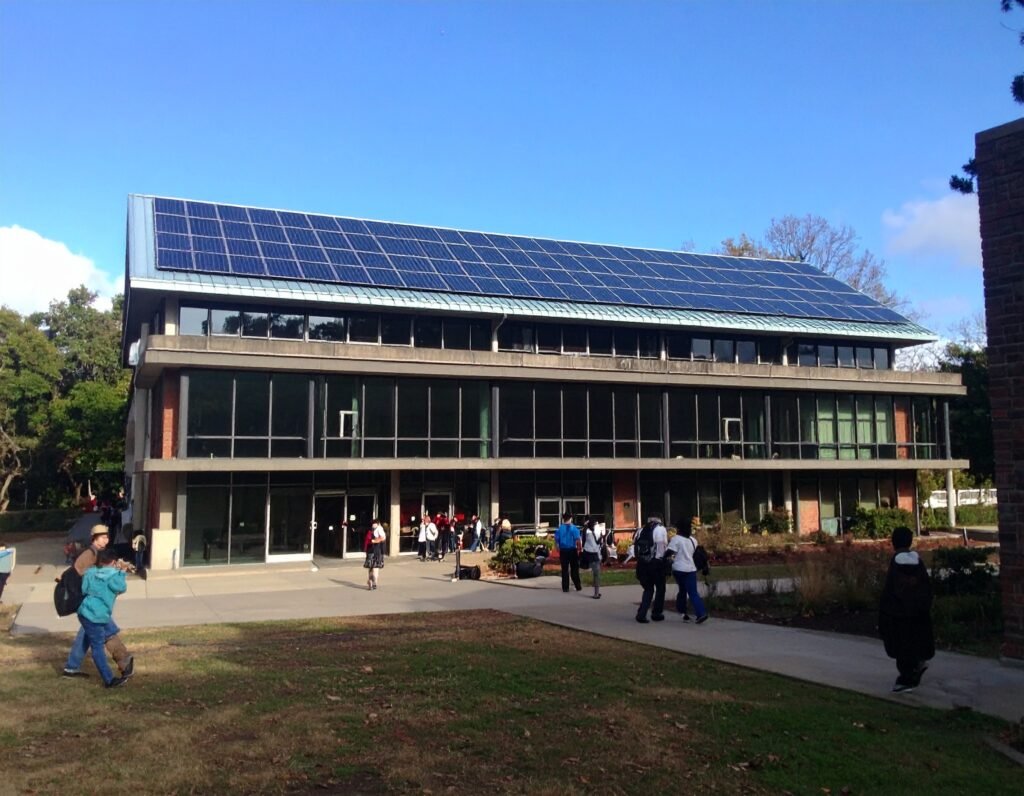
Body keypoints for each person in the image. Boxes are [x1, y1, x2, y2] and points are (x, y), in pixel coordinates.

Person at [62, 524, 134, 682]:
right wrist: (116, 572)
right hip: (90, 603)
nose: (106, 540)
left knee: (88, 633)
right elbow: (82, 577)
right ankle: (123, 661)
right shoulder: (89, 554)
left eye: (107, 537)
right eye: (102, 537)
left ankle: (71, 666)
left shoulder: (98, 553)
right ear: (94, 539)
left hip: (91, 605)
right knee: (106, 631)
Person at [879, 526, 934, 693]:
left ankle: (907, 679)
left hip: (899, 615)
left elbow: (890, 591)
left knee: (902, 647)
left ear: (894, 542)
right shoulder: (918, 563)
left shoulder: (896, 564)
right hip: (918, 613)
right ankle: (917, 664)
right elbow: (926, 588)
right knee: (915, 642)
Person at [75, 548, 132, 688]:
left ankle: (124, 662)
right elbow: (122, 587)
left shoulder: (91, 572)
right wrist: (122, 571)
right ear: (113, 561)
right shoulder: (114, 576)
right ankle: (109, 680)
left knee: (109, 633)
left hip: (84, 611)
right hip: (97, 617)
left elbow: (84, 589)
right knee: (97, 648)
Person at [666, 523, 708, 623]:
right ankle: (701, 613)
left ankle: (682, 612)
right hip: (691, 569)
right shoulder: (693, 540)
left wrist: (666, 559)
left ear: (679, 529)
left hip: (679, 569)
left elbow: (670, 553)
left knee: (682, 591)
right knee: (693, 592)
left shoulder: (676, 539)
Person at [634, 517, 668, 623]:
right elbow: (662, 547)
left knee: (648, 589)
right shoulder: (660, 529)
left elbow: (635, 547)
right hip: (656, 563)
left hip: (642, 564)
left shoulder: (640, 531)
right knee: (660, 588)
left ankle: (642, 613)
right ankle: (657, 613)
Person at [554, 512, 582, 593]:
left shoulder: (559, 529)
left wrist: (558, 549)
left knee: (564, 570)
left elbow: (556, 541)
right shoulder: (574, 528)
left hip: (563, 551)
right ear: (570, 518)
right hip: (572, 550)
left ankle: (565, 588)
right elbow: (578, 540)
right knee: (574, 569)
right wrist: (579, 550)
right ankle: (578, 586)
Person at [582, 519, 602, 599]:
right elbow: (598, 542)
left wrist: (585, 525)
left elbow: (583, 540)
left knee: (594, 573)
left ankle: (596, 592)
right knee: (596, 574)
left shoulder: (586, 532)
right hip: (594, 555)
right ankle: (596, 593)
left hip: (588, 553)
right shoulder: (594, 533)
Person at [363, 519, 386, 590]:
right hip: (375, 551)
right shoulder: (377, 529)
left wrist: (374, 541)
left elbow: (382, 538)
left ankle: (371, 581)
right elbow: (383, 538)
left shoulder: (378, 529)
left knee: (371, 568)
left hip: (374, 551)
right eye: (372, 524)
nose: (373, 525)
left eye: (374, 524)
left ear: (378, 523)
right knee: (375, 568)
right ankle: (374, 582)